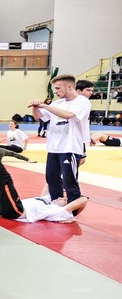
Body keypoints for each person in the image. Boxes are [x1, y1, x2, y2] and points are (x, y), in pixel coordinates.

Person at [0, 136, 87, 223]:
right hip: (3, 208)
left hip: (16, 210)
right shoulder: (48, 199)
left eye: (65, 200)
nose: (62, 198)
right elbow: (51, 182)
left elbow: (83, 200)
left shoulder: (58, 212)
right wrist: (72, 169)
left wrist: (71, 213)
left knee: (5, 181)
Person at [30, 74, 91, 204]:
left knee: (70, 182)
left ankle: (71, 213)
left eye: (58, 88)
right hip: (53, 148)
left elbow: (69, 115)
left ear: (69, 87)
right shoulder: (57, 103)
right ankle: (55, 207)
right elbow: (40, 118)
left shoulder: (82, 101)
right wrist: (35, 107)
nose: (55, 92)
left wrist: (45, 106)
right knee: (52, 180)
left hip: (70, 148)